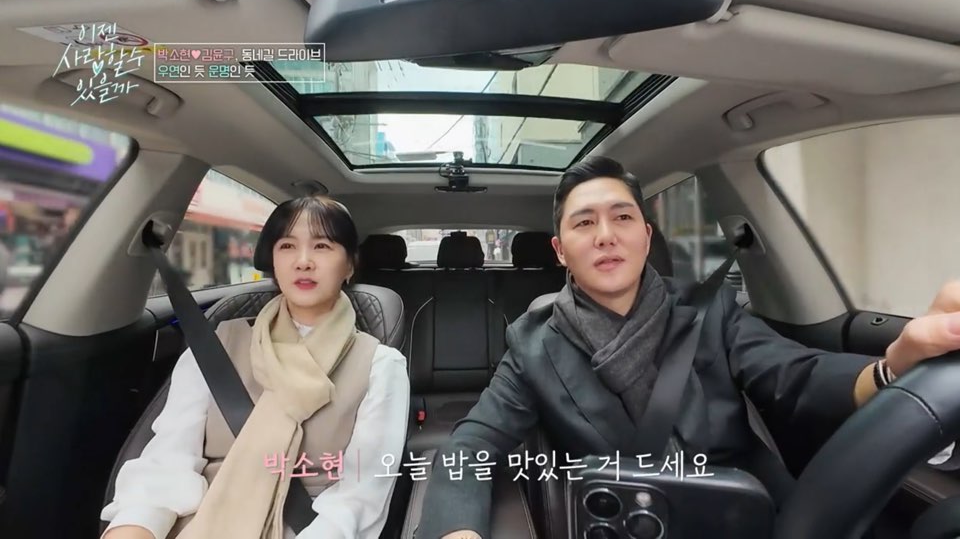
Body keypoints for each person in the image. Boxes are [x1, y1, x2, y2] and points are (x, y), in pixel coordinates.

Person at [416, 156, 960, 539]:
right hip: (622, 518)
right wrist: (458, 531)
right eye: (584, 223)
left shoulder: (711, 310)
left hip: (745, 513)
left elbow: (796, 374)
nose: (605, 235)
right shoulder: (532, 343)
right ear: (561, 251)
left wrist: (892, 366)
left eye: (622, 217)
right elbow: (473, 444)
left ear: (646, 236)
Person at [100, 196, 410, 539]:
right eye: (287, 246)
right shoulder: (216, 348)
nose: (303, 262)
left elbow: (360, 495)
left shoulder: (380, 366)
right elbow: (168, 459)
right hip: (200, 521)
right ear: (272, 259)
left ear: (350, 265)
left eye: (322, 246)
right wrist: (135, 526)